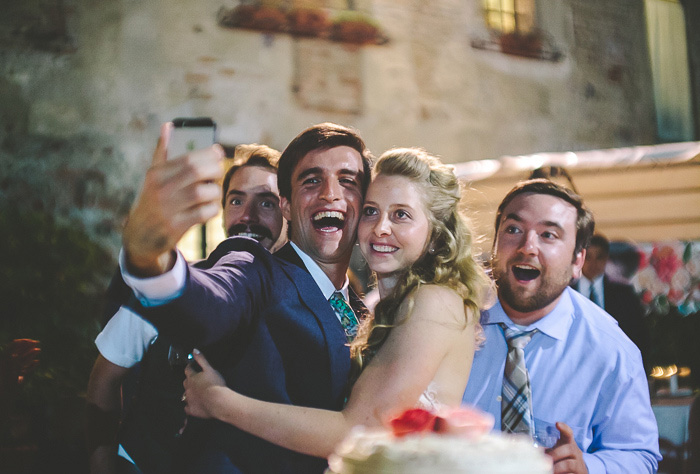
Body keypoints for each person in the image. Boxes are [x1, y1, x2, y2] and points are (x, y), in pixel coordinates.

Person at [180, 147, 492, 459]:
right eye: (371, 211)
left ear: (436, 232)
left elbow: (357, 431)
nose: (381, 227)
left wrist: (218, 401)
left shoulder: (434, 301)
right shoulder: (388, 306)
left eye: (401, 215)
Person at [118, 122, 372, 473]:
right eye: (311, 180)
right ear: (285, 204)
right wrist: (151, 260)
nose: (330, 193)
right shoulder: (256, 268)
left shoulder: (362, 310)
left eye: (348, 180)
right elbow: (211, 303)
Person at [85, 144, 285, 474]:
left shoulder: (298, 300)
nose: (247, 215)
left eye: (267, 202)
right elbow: (105, 377)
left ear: (288, 211)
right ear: (222, 212)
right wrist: (101, 457)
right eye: (236, 200)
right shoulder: (176, 289)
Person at [461, 179, 661, 473]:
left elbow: (640, 455)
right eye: (513, 229)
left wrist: (590, 467)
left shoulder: (612, 351)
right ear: (494, 245)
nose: (527, 247)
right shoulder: (451, 325)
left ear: (578, 260)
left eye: (548, 235)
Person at [572, 233, 650, 370]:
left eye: (599, 257)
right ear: (580, 258)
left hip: (614, 368)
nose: (593, 263)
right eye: (588, 257)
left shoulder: (624, 294)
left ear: (607, 258)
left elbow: (638, 335)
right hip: (574, 366)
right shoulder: (565, 294)